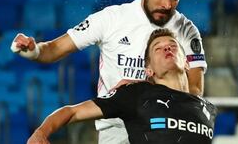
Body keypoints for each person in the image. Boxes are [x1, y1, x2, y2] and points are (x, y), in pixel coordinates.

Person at [11, 0, 207, 143]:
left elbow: (195, 89)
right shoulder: (111, 19)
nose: (167, 5)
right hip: (115, 126)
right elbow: (53, 50)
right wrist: (33, 50)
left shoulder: (186, 30)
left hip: (162, 124)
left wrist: (151, 95)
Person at [26, 28, 216, 144]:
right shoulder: (136, 93)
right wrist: (40, 133)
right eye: (158, 48)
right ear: (148, 70)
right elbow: (72, 112)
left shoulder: (207, 109)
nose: (167, 48)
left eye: (173, 46)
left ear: (186, 63)